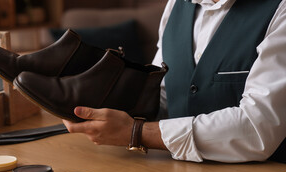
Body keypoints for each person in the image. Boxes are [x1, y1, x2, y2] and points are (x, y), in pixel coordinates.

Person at [62, 0, 286, 163]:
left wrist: (137, 133)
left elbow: (258, 127)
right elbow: (164, 93)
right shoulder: (176, 5)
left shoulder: (280, 10)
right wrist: (101, 106)